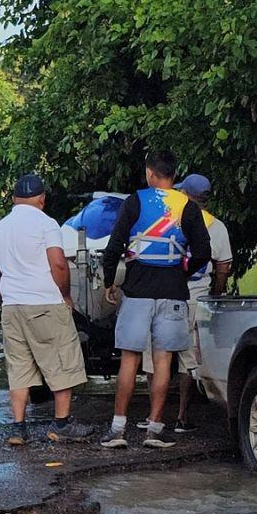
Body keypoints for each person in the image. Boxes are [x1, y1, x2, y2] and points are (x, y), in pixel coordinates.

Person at [99, 150, 212, 449]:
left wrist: (110, 281)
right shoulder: (187, 206)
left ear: (150, 173)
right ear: (175, 175)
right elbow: (203, 251)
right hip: (173, 290)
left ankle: (118, 429)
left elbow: (114, 247)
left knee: (129, 359)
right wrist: (183, 271)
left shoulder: (134, 201)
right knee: (164, 360)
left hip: (137, 289)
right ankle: (155, 430)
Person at [0, 173, 94, 445]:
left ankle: (18, 428)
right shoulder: (46, 224)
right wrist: (66, 295)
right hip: (44, 302)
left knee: (19, 367)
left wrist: (3, 301)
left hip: (12, 306)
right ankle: (61, 424)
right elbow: (58, 263)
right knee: (61, 361)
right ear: (42, 199)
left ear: (13, 199)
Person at [138, 173, 232, 433]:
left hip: (164, 292)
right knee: (188, 359)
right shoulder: (217, 227)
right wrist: (217, 293)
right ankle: (182, 417)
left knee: (154, 354)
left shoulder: (169, 219)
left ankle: (153, 416)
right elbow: (223, 266)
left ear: (185, 195)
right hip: (195, 298)